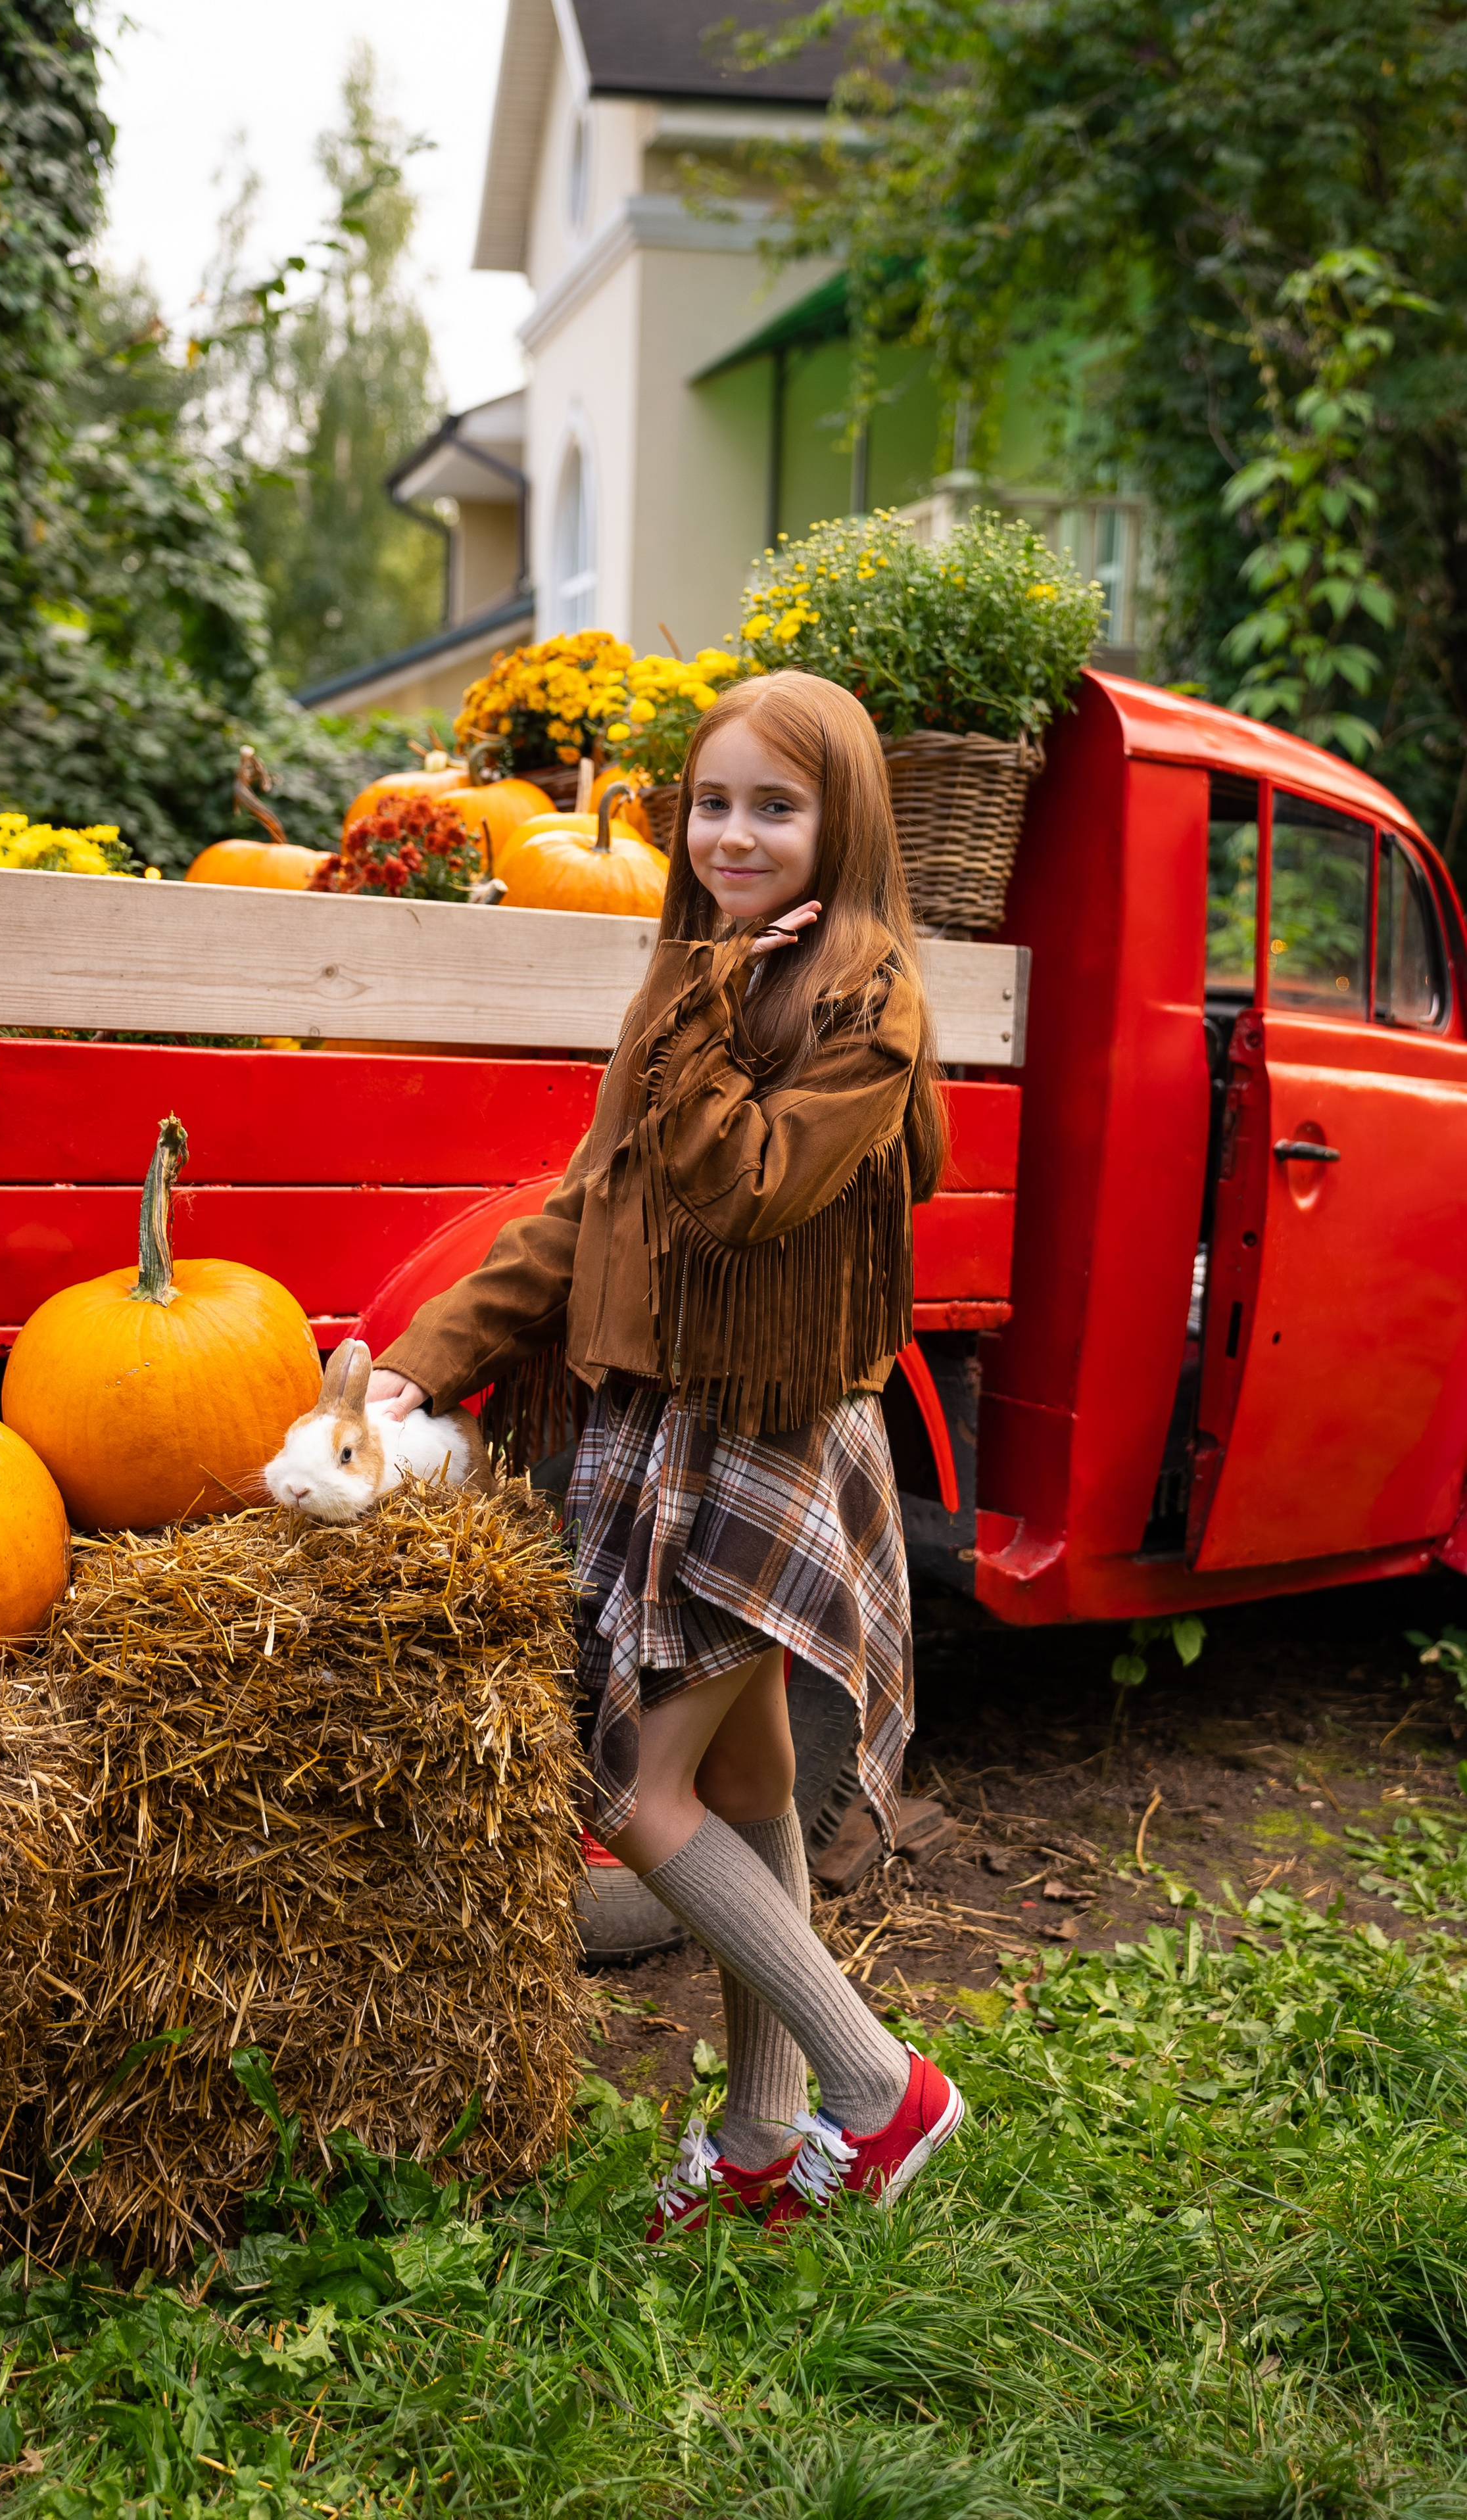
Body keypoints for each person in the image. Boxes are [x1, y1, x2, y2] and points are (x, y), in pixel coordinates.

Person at [372, 668, 964, 2232]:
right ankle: (768, 2139)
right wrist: (425, 1365)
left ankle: (876, 2086)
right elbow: (591, 1206)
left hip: (761, 1430)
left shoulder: (861, 996)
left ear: (843, 823)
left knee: (628, 1785)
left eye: (776, 805)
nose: (734, 834)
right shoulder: (688, 973)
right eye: (712, 802)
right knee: (752, 1775)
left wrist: (698, 1015)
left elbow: (746, 1186)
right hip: (660, 1418)